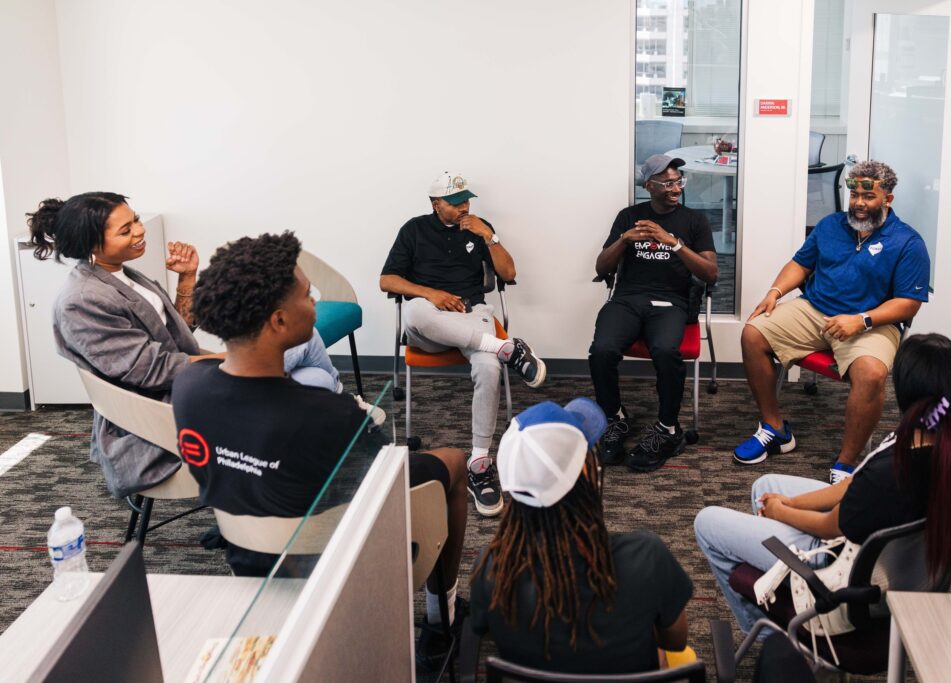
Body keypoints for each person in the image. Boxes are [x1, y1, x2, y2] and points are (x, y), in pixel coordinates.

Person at [171, 232, 467, 668]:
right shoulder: (330, 415)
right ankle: (444, 617)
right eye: (308, 296)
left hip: (248, 555)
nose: (315, 303)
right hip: (331, 561)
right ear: (277, 320)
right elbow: (385, 490)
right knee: (455, 462)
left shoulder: (188, 386)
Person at [26, 192, 343, 498]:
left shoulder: (122, 274)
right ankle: (339, 418)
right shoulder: (82, 300)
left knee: (315, 381)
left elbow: (172, 334)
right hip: (160, 413)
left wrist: (187, 278)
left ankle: (264, 495)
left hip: (186, 385)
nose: (139, 231)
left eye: (136, 220)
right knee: (304, 343)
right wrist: (230, 358)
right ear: (92, 243)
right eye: (126, 229)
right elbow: (153, 370)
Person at [695, 333, 951, 635]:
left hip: (840, 569)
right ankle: (777, 590)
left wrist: (781, 512)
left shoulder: (890, 472)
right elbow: (854, 485)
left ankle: (767, 635)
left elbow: (830, 526)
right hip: (902, 567)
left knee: (706, 523)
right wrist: (787, 502)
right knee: (764, 487)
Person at [734, 160, 930, 484]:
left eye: (868, 197)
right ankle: (775, 429)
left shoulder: (908, 242)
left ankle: (847, 463)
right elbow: (800, 264)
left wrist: (862, 320)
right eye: (854, 195)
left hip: (872, 321)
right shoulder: (830, 225)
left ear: (888, 199)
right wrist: (775, 291)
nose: (859, 203)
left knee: (871, 373)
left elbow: (909, 304)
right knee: (753, 334)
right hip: (815, 309)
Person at [471, 398, 694, 675]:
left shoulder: (493, 568)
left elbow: (488, 634)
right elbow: (675, 641)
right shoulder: (646, 557)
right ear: (587, 473)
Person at [380, 171, 547, 517]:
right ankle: (506, 348)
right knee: (414, 313)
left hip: (473, 313)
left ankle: (480, 463)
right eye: (455, 203)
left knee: (487, 366)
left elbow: (509, 275)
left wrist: (491, 236)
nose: (463, 207)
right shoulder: (414, 229)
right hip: (430, 321)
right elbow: (387, 279)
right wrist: (432, 294)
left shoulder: (479, 226)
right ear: (435, 204)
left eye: (466, 200)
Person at [590, 154, 718, 471]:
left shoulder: (694, 221)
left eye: (679, 181)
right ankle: (614, 417)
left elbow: (710, 273)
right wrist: (624, 240)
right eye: (669, 182)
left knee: (665, 350)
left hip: (670, 303)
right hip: (628, 299)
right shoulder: (629, 216)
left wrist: (673, 243)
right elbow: (601, 266)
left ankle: (668, 427)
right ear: (649, 186)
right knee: (602, 350)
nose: (677, 187)